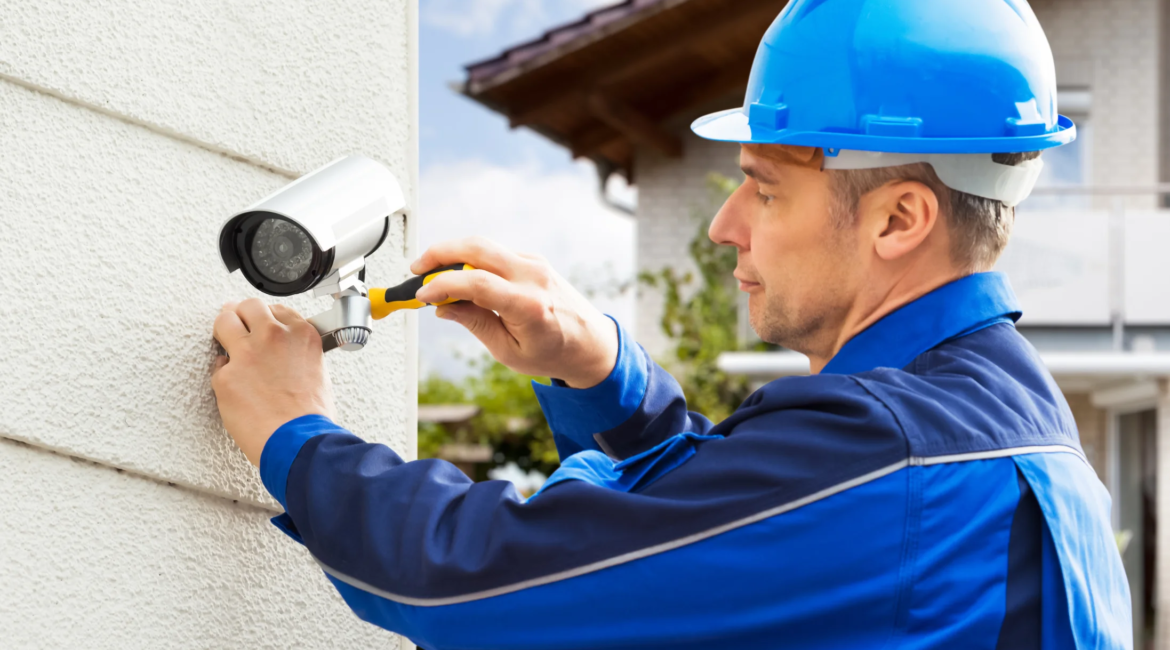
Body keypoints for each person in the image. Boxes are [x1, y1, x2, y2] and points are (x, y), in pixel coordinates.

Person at [210, 1, 1132, 648]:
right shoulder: (1008, 435)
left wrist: (296, 430)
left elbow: (471, 583)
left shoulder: (885, 455)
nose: (727, 224)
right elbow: (733, 540)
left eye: (764, 188)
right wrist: (601, 374)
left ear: (900, 220)